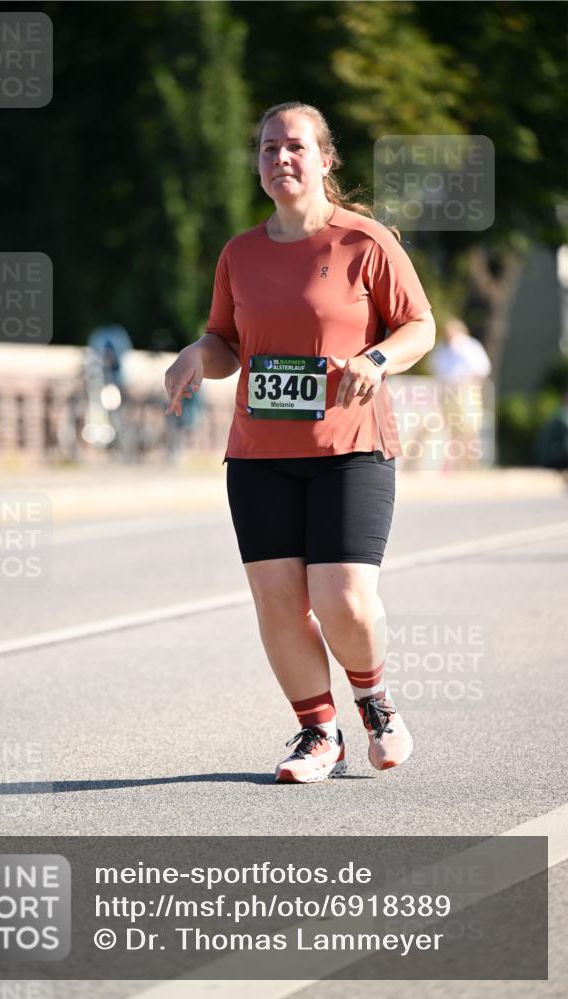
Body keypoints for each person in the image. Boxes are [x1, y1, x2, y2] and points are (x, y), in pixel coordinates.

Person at [164, 101, 435, 783]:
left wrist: (373, 362)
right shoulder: (240, 253)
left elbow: (418, 328)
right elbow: (228, 341)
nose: (279, 159)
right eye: (266, 149)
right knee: (278, 599)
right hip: (258, 454)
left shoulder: (365, 242)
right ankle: (317, 732)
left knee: (342, 597)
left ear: (323, 160)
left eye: (293, 147)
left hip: (350, 447)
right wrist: (199, 354)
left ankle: (373, 701)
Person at [430, 317, 492, 471]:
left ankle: (471, 463)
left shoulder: (470, 346)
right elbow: (436, 369)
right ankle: (456, 464)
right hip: (448, 391)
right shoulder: (442, 349)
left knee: (470, 429)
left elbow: (482, 368)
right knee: (452, 429)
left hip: (466, 390)